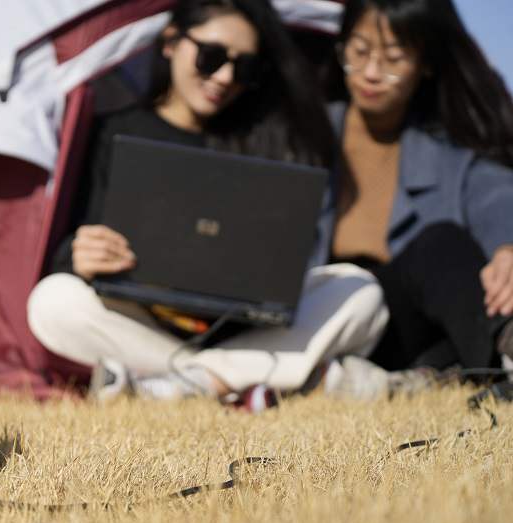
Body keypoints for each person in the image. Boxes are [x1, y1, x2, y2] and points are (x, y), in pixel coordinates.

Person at [27, 0, 388, 401]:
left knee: (361, 292)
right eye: (211, 57)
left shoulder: (264, 137)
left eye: (244, 67)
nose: (225, 77)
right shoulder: (112, 131)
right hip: (142, 322)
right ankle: (240, 380)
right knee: (52, 302)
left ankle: (183, 387)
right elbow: (68, 247)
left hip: (247, 328)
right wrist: (80, 255)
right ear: (170, 43)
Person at [319, 0, 513, 386]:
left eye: (394, 58)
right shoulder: (306, 132)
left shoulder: (452, 148)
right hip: (317, 314)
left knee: (443, 244)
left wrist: (507, 248)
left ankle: (501, 358)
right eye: (359, 52)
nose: (371, 73)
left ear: (425, 64)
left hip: (397, 324)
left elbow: (496, 196)